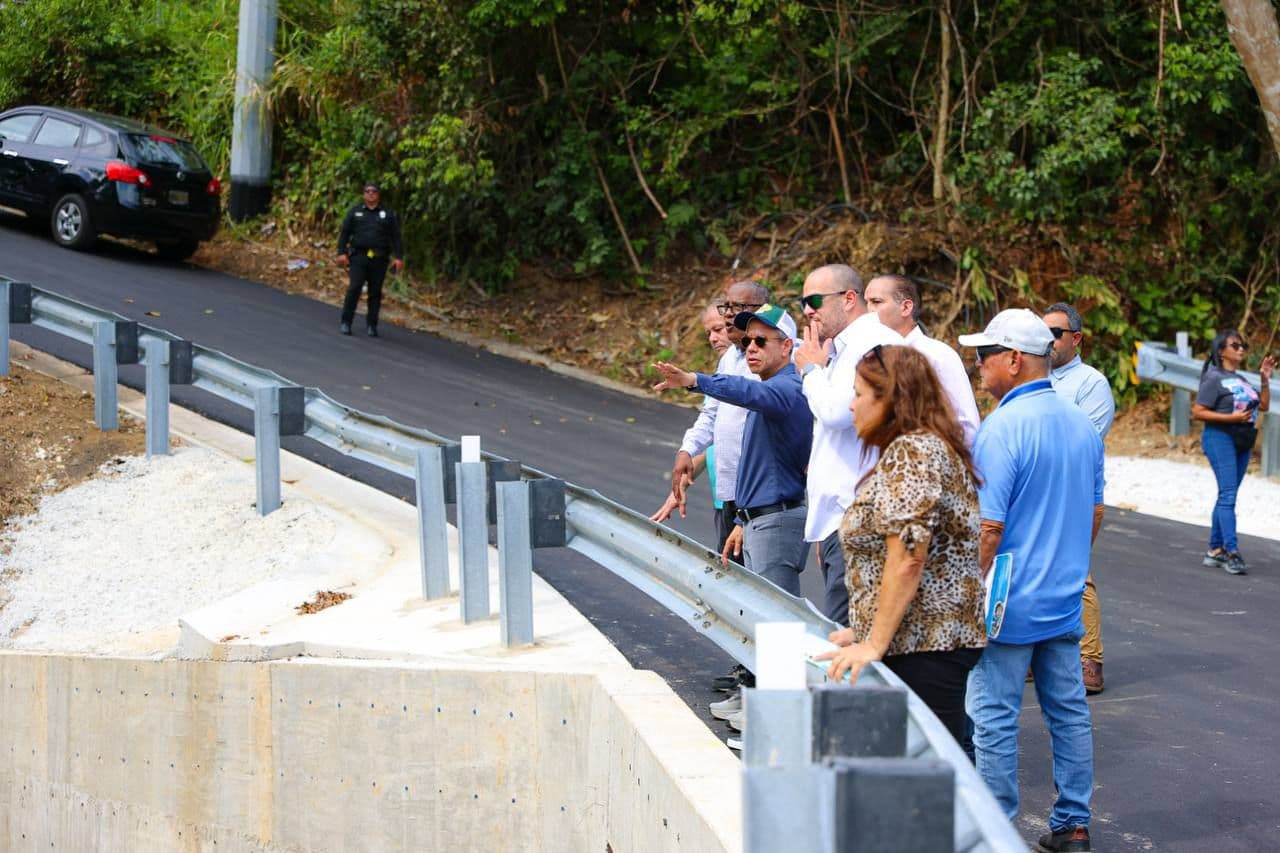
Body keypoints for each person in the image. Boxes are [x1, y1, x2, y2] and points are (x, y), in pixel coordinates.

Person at [958, 308, 1104, 853]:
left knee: (993, 714)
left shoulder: (1002, 427)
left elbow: (989, 528)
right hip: (1062, 596)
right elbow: (1095, 511)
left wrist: (965, 592)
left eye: (985, 355)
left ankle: (996, 830)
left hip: (1008, 600)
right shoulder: (1080, 424)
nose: (979, 365)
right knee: (1068, 712)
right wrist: (1065, 563)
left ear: (1014, 360)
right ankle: (1074, 824)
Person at [814, 345, 986, 745]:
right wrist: (864, 630)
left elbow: (909, 556)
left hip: (925, 646)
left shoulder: (913, 453)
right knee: (925, 765)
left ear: (889, 398)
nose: (852, 405)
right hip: (922, 642)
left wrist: (874, 643)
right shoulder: (920, 448)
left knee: (928, 770)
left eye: (859, 394)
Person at [653, 303, 811, 592]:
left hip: (775, 521)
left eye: (760, 341)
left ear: (787, 346)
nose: (750, 348)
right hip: (759, 518)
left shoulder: (786, 389)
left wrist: (693, 380)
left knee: (775, 615)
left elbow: (746, 390)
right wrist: (743, 519)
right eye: (747, 340)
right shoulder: (771, 389)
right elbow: (759, 470)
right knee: (760, 611)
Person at [792, 264, 904, 626]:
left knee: (845, 634)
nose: (807, 311)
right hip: (841, 518)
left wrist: (811, 371)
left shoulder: (870, 344)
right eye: (803, 303)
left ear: (849, 298)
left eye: (814, 301)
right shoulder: (845, 347)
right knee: (847, 631)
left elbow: (837, 413)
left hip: (858, 516)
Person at [666, 282, 772, 556]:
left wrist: (694, 380)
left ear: (762, 311)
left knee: (757, 576)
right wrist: (687, 449)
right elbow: (712, 413)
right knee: (731, 570)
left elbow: (746, 392)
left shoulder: (777, 355)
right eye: (726, 307)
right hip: (729, 493)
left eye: (738, 307)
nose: (728, 314)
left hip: (760, 492)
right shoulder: (730, 359)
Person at [1044, 301, 1115, 694]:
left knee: (1075, 572)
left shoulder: (1091, 383)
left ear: (1076, 338)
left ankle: (1090, 660)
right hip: (1035, 490)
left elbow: (1083, 441)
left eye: (1055, 333)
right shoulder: (1034, 376)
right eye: (1043, 334)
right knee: (1033, 569)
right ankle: (1037, 657)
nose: (1048, 341)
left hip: (1075, 493)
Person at [1192, 330, 1274, 576]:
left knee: (1227, 495)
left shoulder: (1241, 379)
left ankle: (1214, 550)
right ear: (1221, 351)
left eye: (1243, 345)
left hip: (1242, 439)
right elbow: (1198, 411)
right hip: (1220, 438)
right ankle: (1232, 552)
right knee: (1228, 495)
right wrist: (1231, 418)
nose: (1241, 349)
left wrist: (1264, 380)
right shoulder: (1213, 378)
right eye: (1235, 345)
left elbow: (1264, 406)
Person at [863, 274, 981, 445]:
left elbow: (967, 426)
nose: (868, 311)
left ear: (905, 307)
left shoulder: (937, 355)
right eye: (866, 302)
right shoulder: (866, 356)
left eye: (876, 302)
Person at [651, 303, 733, 540]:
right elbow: (712, 443)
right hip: (724, 501)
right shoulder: (720, 375)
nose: (713, 338)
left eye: (719, 329)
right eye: (708, 333)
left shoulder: (753, 376)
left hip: (749, 504)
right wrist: (679, 487)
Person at [336, 181, 404, 337]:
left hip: (379, 258)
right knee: (355, 288)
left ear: (378, 194)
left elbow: (396, 237)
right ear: (363, 194)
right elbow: (345, 233)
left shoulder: (387, 214)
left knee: (375, 292)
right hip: (359, 256)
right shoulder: (355, 212)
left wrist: (399, 257)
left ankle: (372, 325)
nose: (371, 194)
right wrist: (341, 252)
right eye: (367, 191)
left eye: (374, 191)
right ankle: (346, 322)